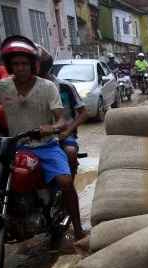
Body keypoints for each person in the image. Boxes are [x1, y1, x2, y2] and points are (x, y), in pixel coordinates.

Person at [0, 35, 87, 241]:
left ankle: (78, 230)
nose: (21, 68)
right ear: (10, 66)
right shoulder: (1, 86)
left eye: (24, 63)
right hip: (16, 147)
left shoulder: (48, 87)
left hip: (45, 146)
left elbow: (62, 120)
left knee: (65, 181)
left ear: (33, 65)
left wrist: (51, 128)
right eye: (16, 64)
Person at [39, 47, 88, 176]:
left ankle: (69, 186)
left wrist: (66, 132)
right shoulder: (22, 88)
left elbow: (83, 112)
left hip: (63, 134)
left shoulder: (65, 87)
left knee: (70, 153)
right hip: (34, 135)